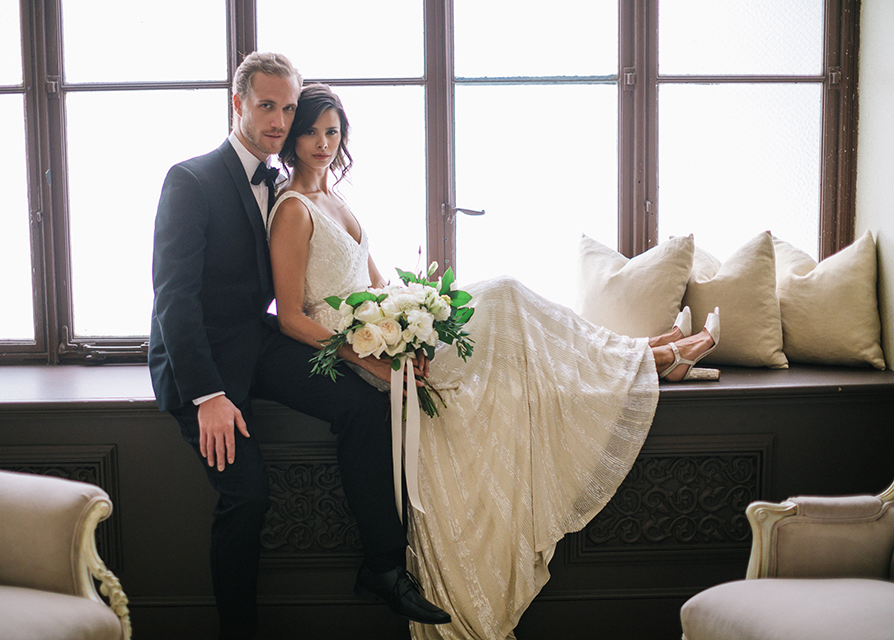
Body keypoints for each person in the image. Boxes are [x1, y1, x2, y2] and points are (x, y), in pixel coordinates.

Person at [266, 83, 720, 640]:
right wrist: (378, 360)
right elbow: (291, 316)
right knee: (505, 295)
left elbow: (376, 285)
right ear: (291, 137)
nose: (322, 142)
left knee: (514, 322)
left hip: (394, 338)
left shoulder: (336, 200)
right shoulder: (291, 210)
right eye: (311, 131)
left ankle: (649, 353)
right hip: (365, 353)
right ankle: (654, 353)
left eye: (332, 131)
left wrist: (418, 315)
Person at [148, 53, 450, 640]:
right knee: (248, 496)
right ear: (238, 104)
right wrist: (208, 394)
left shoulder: (283, 185)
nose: (280, 120)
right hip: (203, 362)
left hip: (255, 341)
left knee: (363, 408)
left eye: (289, 108)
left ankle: (383, 567)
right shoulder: (191, 179)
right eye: (267, 106)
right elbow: (173, 299)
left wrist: (384, 347)